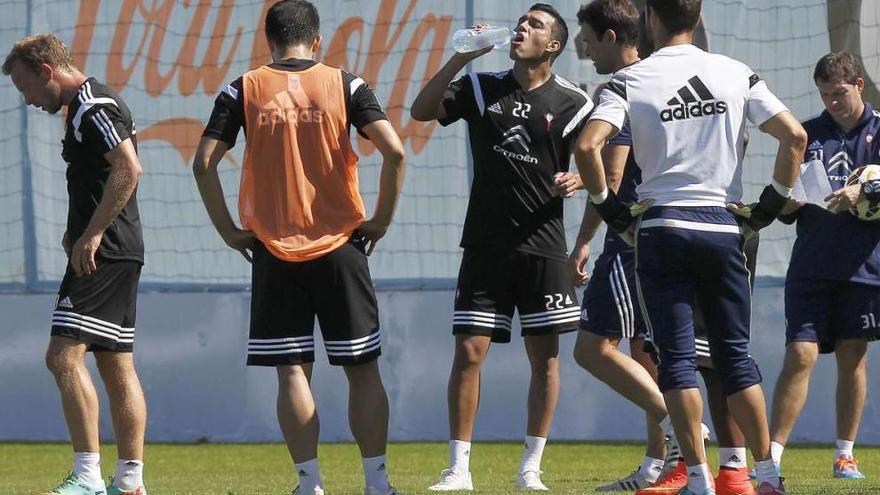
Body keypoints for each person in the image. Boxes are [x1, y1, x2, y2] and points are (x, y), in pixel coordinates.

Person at [573, 0, 808, 494]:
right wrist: (769, 206)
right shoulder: (735, 72)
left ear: (650, 19)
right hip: (724, 228)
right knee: (735, 358)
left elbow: (588, 146)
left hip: (660, 229)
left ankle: (699, 480)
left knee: (676, 361)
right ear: (696, 18)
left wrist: (612, 211)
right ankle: (765, 477)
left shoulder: (630, 80)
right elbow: (795, 136)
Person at [192, 1, 406, 494]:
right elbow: (394, 150)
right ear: (317, 40)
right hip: (342, 246)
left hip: (273, 248)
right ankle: (377, 485)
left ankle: (309, 486)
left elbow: (204, 163)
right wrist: (381, 220)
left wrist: (228, 230)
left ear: (268, 41)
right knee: (362, 369)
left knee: (292, 370)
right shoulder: (345, 83)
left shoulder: (242, 88)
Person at [411, 3, 591, 491]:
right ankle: (458, 470)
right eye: (522, 21)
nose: (523, 28)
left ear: (553, 45)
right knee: (469, 353)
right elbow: (420, 111)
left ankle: (531, 467)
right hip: (486, 245)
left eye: (536, 25)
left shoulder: (575, 100)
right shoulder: (480, 86)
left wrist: (578, 177)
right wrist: (459, 59)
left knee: (545, 359)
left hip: (545, 247)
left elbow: (603, 164)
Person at [4, 34, 148, 495]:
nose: (27, 100)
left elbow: (128, 168)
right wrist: (81, 227)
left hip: (103, 253)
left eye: (27, 88)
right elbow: (103, 176)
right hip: (116, 248)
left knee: (62, 356)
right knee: (115, 365)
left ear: (47, 71)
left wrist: (92, 233)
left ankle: (87, 476)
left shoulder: (93, 105)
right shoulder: (83, 108)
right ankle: (130, 481)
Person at [767, 51, 880, 480]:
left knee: (853, 354)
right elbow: (783, 201)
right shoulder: (806, 134)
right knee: (800, 353)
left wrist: (866, 189)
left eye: (839, 94)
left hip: (864, 266)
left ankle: (844, 455)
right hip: (811, 265)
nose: (832, 102)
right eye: (824, 95)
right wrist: (787, 201)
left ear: (858, 86)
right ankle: (771, 458)